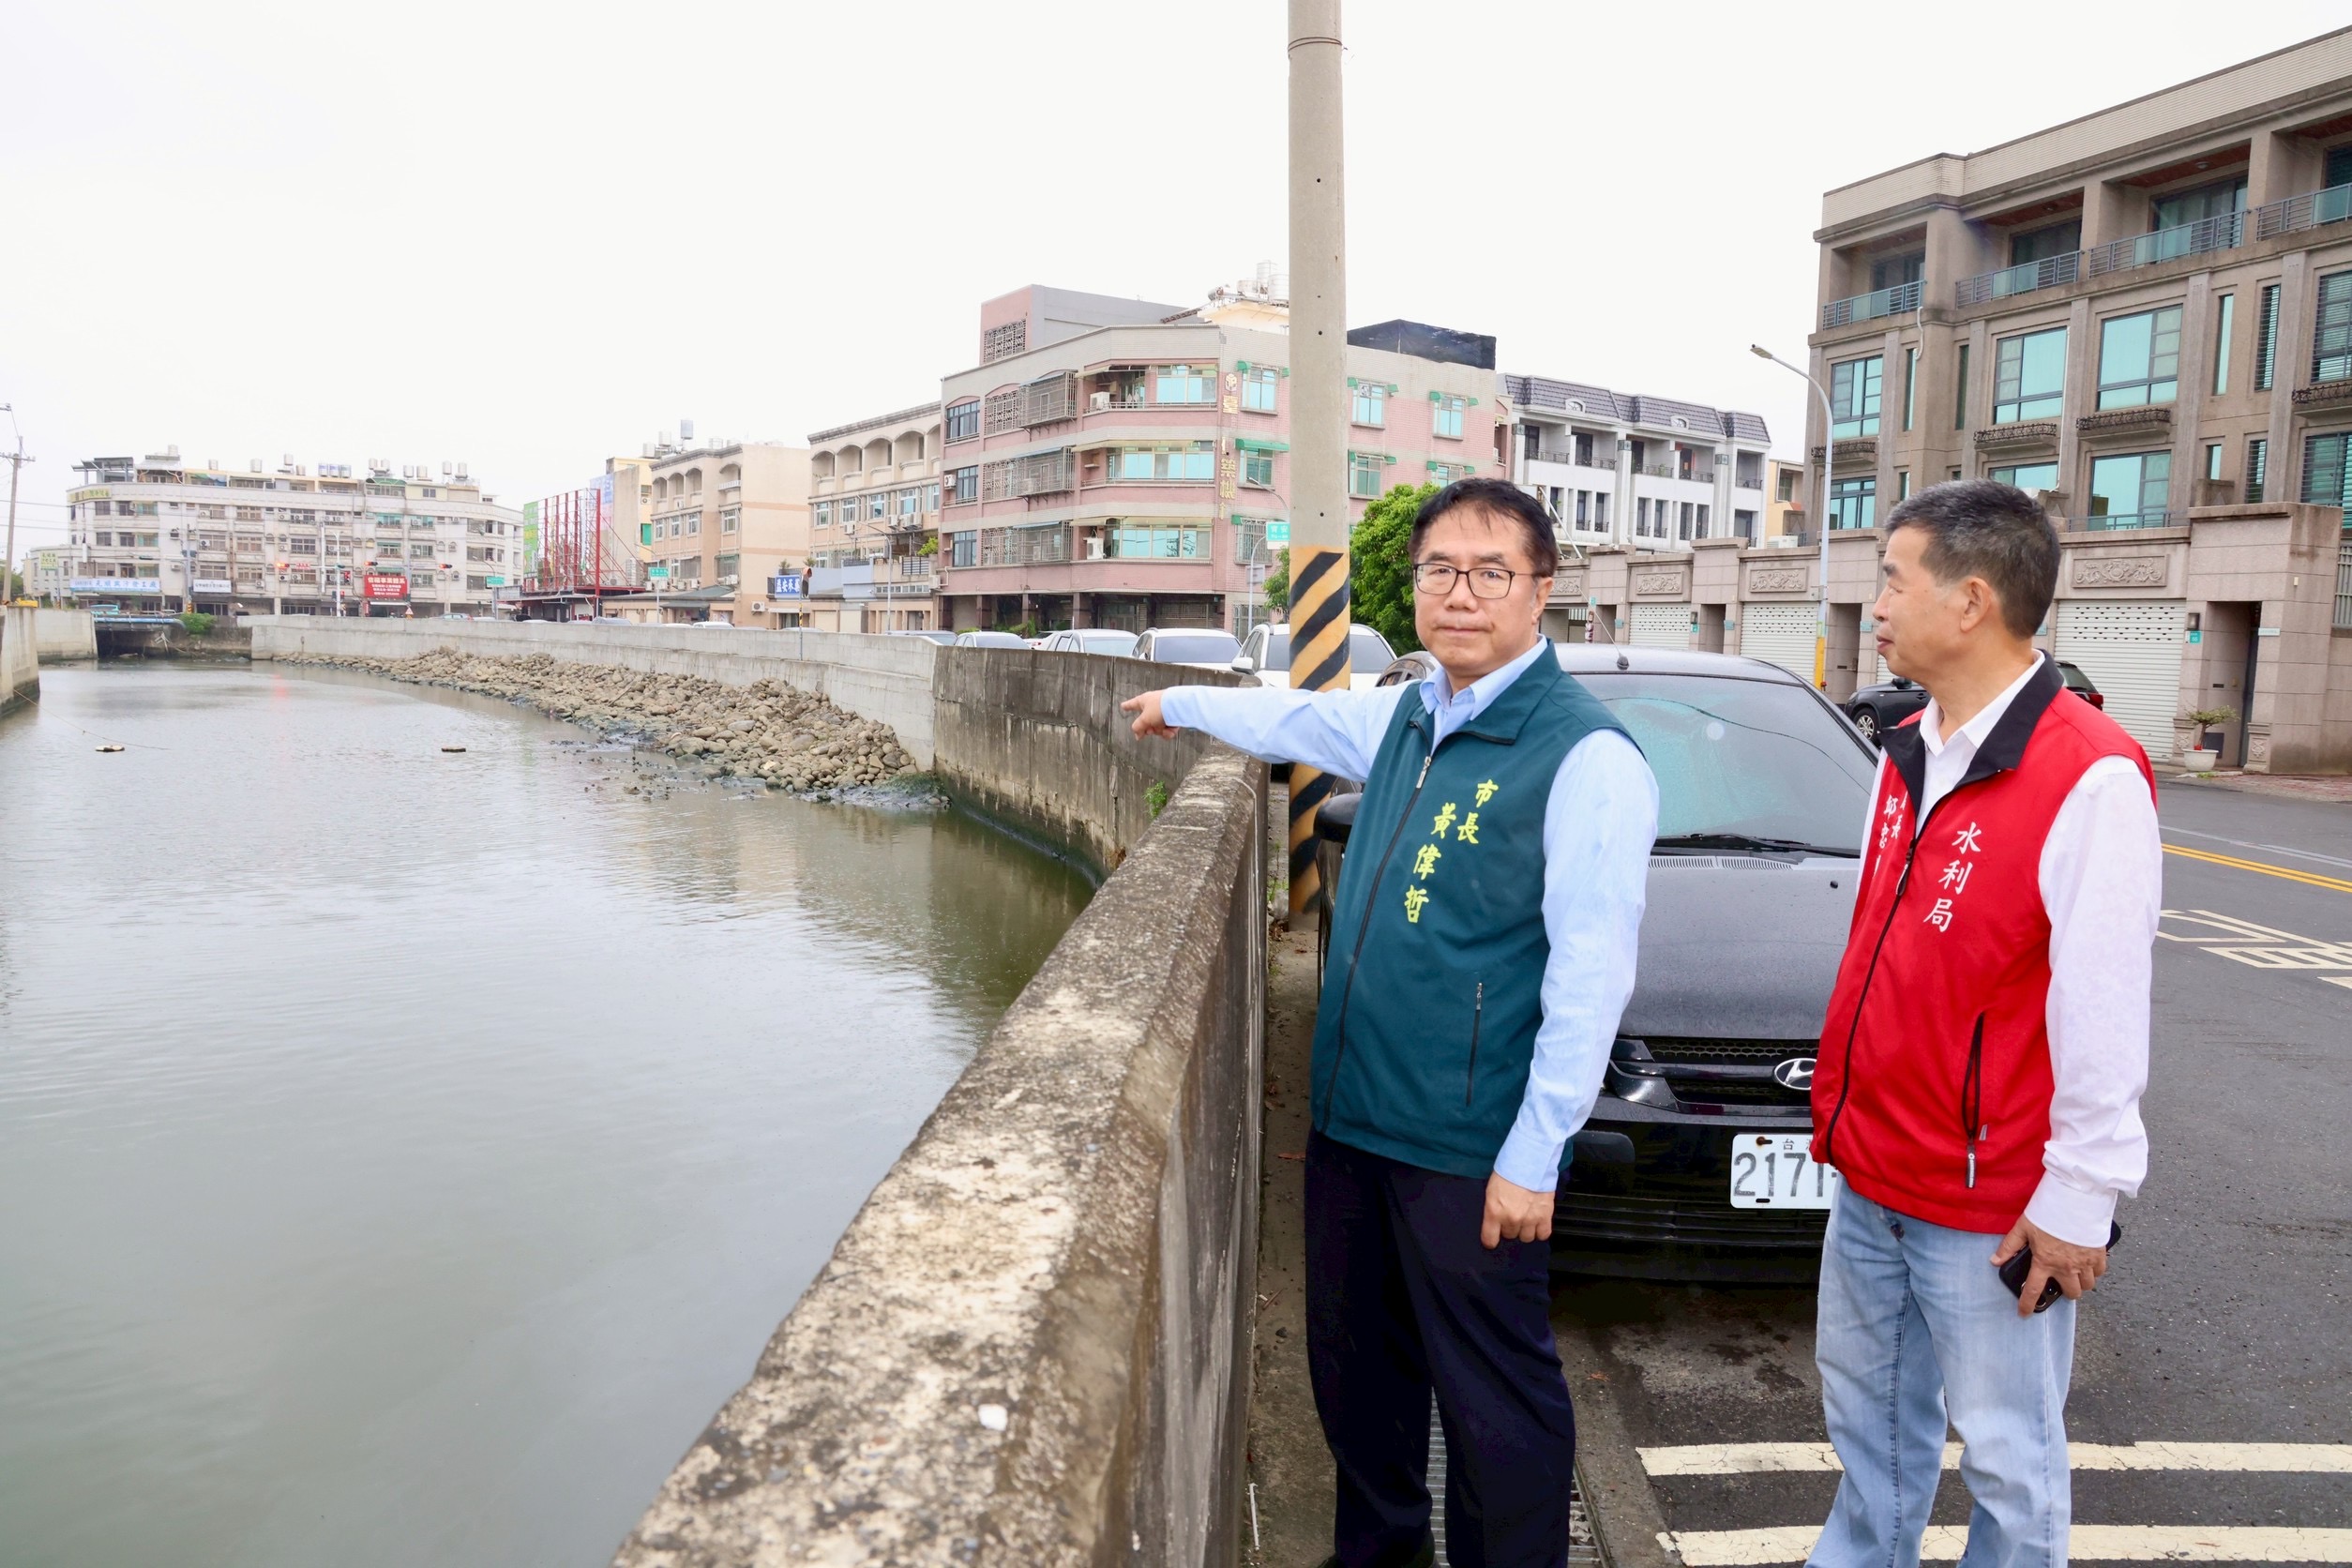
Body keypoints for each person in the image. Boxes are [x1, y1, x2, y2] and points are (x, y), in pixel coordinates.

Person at [1123, 478, 1657, 1568]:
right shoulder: (1412, 713)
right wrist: (1180, 705)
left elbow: (1590, 982)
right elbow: (1297, 715)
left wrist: (1533, 1156)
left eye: (1489, 572)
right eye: (1438, 571)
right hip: (1355, 1122)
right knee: (1358, 1381)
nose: (1460, 593)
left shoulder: (1585, 756)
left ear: (1540, 589)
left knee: (1495, 1410)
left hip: (1470, 1152)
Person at [1805, 480, 2161, 1568]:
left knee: (2009, 1463)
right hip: (1873, 1172)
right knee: (1871, 1437)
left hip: (1989, 1206)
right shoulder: (1910, 744)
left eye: (1891, 579)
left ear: (1970, 602)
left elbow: (2103, 1006)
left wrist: (2079, 1200)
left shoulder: (2089, 775)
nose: (1874, 604)